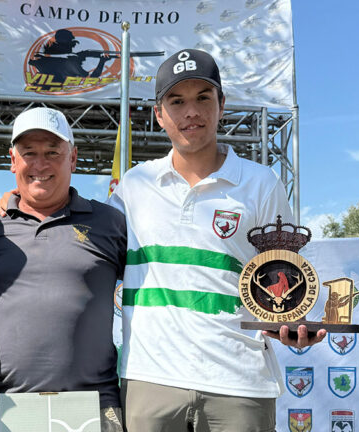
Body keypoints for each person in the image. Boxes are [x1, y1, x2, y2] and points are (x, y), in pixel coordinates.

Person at [108, 49, 326, 431]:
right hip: (150, 379)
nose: (191, 112)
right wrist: (18, 204)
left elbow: (286, 282)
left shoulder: (261, 183)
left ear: (221, 105)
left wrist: (292, 323)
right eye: (177, 101)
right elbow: (90, 247)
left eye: (203, 98)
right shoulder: (134, 185)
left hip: (240, 382)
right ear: (159, 114)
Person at [0, 107, 126, 432]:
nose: (40, 164)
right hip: (9, 406)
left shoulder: (111, 223)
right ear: (13, 160)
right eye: (29, 153)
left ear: (73, 158)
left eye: (53, 152)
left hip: (93, 408)